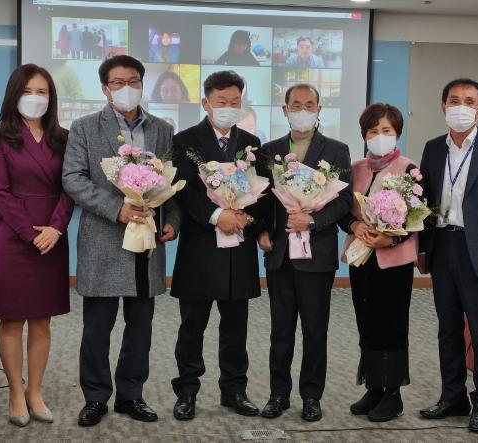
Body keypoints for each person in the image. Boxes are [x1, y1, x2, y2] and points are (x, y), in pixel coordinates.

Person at [62, 55, 181, 427]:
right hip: (103, 241)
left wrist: (172, 221)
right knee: (97, 328)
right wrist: (118, 209)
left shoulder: (163, 129)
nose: (126, 88)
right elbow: (73, 178)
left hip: (146, 244)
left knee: (140, 327)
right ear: (105, 89)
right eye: (118, 82)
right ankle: (96, 397)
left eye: (133, 81)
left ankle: (131, 395)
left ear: (142, 84)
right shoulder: (83, 127)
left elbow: (170, 184)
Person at [418, 79, 478, 433]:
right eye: (454, 100)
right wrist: (422, 248)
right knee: (447, 329)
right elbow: (423, 203)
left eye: (469, 101)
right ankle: (453, 396)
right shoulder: (433, 148)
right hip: (442, 246)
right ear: (443, 106)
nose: (461, 106)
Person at [170, 70, 267, 420]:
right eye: (221, 101)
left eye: (234, 101)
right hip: (200, 247)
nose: (228, 107)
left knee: (236, 326)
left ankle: (234, 390)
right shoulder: (185, 141)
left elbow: (262, 192)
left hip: (239, 247)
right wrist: (216, 215)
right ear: (206, 103)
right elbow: (183, 191)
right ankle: (187, 391)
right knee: (192, 326)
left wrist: (245, 217)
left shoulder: (252, 143)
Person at [0, 64, 74, 427]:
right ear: (14, 94)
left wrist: (55, 228)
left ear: (51, 97)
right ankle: (15, 393)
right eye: (27, 91)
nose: (35, 98)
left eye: (42, 92)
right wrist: (31, 232)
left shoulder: (63, 138)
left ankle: (35, 391)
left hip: (53, 237)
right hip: (13, 237)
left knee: (41, 319)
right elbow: (0, 192)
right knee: (12, 318)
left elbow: (70, 187)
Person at [258, 84, 351, 421]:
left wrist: (311, 221)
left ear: (319, 109)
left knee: (315, 329)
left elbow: (343, 201)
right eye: (296, 105)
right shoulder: (269, 151)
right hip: (280, 255)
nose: (302, 110)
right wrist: (261, 231)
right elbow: (261, 201)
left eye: (309, 104)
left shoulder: (336, 150)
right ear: (285, 110)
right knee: (280, 330)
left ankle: (311, 396)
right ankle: (278, 394)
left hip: (317, 256)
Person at [339, 103, 418, 422]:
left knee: (392, 324)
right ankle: (374, 386)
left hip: (394, 262)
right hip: (362, 259)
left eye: (386, 130)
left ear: (397, 133)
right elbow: (343, 211)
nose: (380, 136)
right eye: (373, 131)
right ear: (364, 135)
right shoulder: (355, 168)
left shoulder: (409, 169)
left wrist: (391, 239)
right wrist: (354, 224)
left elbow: (418, 217)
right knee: (367, 322)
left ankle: (393, 394)